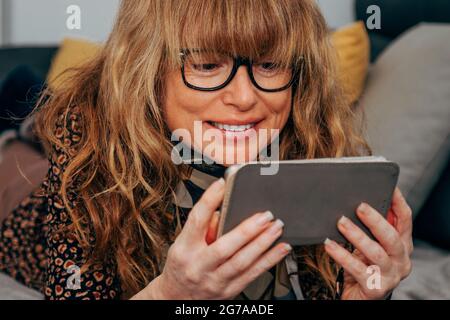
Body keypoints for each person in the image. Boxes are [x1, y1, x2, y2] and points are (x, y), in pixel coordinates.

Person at [0, 0, 413, 300]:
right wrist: (171, 294)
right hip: (23, 192)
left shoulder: (305, 141)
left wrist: (364, 297)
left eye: (268, 65)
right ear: (149, 70)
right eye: (206, 64)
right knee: (32, 130)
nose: (245, 97)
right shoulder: (86, 136)